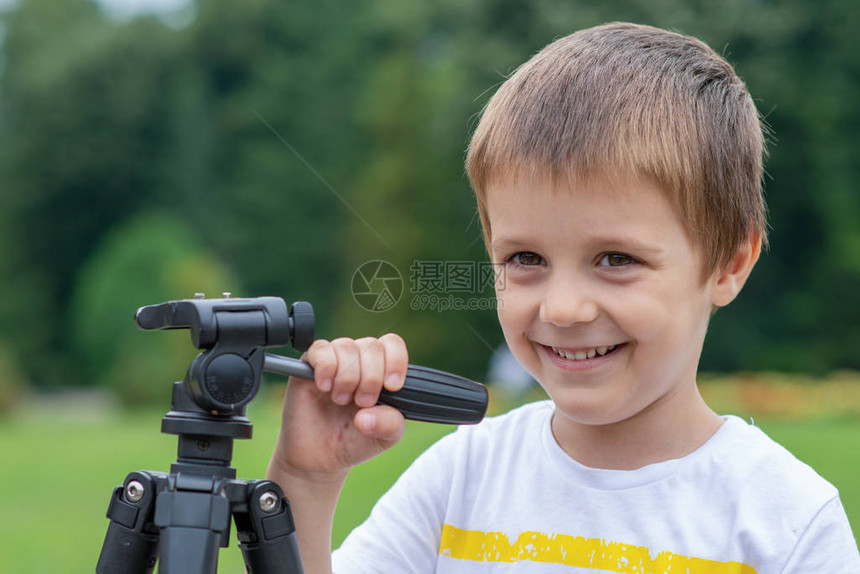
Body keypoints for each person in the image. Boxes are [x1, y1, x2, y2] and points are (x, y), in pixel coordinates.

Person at [266, 22, 860, 573]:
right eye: (526, 259)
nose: (562, 309)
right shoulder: (462, 477)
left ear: (729, 263)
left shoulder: (788, 522)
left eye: (616, 260)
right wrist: (305, 480)